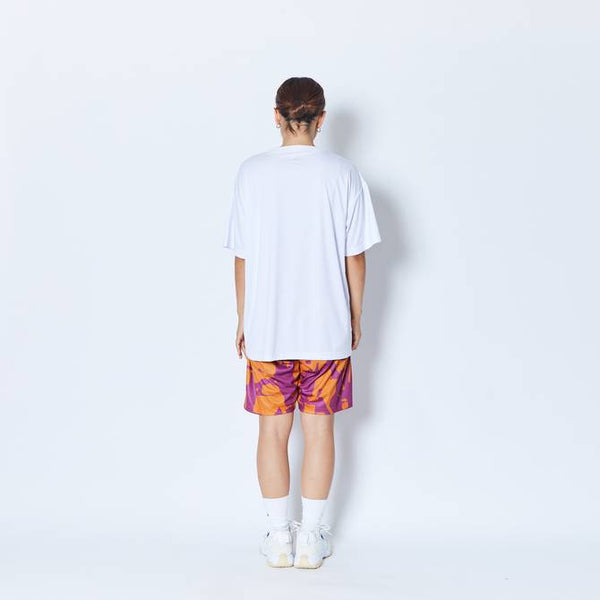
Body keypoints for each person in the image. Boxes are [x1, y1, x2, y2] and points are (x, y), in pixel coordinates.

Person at [223, 76, 381, 569]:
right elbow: (355, 256)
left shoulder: (251, 173)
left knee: (272, 432)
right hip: (325, 328)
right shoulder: (343, 173)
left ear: (277, 115)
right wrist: (355, 314)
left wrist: (243, 318)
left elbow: (242, 256)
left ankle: (277, 538)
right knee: (319, 432)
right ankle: (310, 539)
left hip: (267, 328)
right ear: (321, 118)